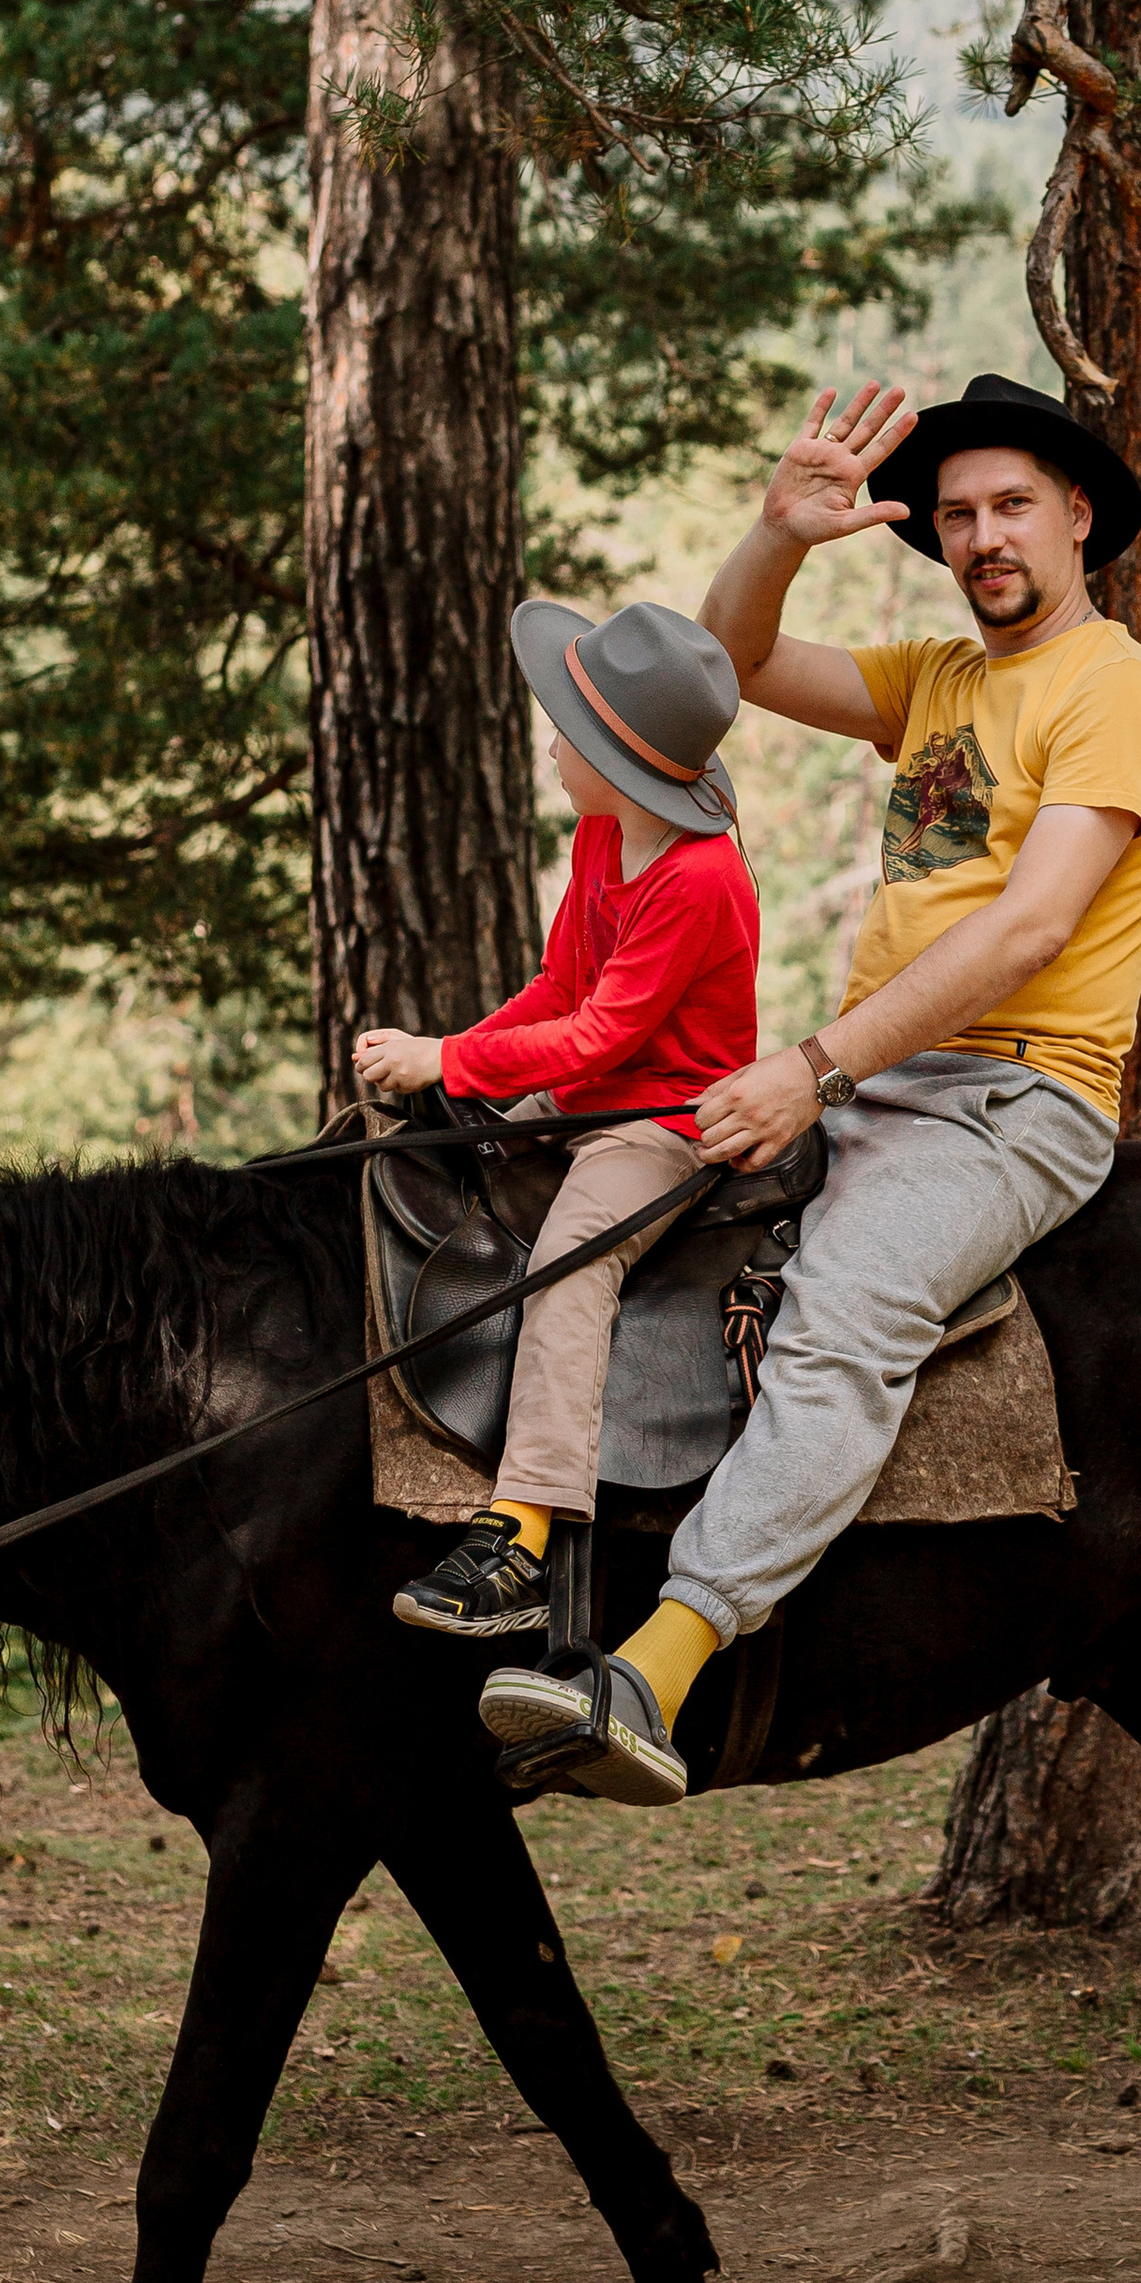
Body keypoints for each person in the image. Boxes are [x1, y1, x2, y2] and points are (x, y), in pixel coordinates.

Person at [474, 367, 1141, 1806]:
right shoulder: (939, 679)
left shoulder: (1121, 693)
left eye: (1012, 507)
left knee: (845, 1318)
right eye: (956, 514)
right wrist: (780, 537)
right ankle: (514, 1548)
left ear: (1076, 518)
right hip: (878, 1077)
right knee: (602, 1204)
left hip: (1012, 1102)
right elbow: (732, 666)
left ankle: (656, 1666)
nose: (985, 534)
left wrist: (813, 1067)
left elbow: (1029, 929)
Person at [353, 598, 760, 1778]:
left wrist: (449, 1061)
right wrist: (453, 1059)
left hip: (664, 1119)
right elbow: (554, 988)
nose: (546, 739)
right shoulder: (601, 839)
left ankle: (520, 1531)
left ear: (621, 758)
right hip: (589, 1088)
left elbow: (601, 1039)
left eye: (564, 725)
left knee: (570, 1269)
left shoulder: (696, 879)